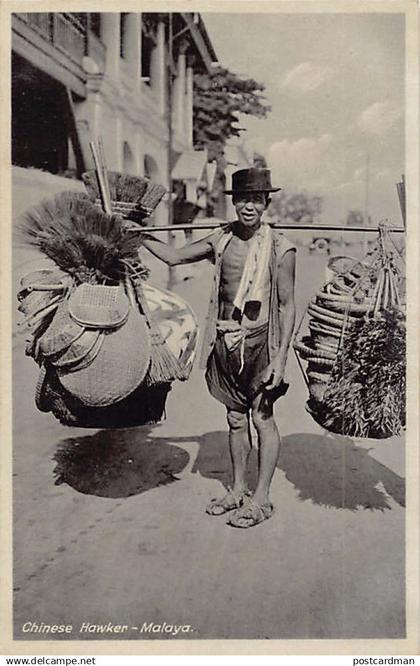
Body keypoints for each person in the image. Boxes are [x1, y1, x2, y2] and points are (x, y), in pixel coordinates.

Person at [140, 168, 296, 528]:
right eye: (243, 199)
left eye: (256, 199)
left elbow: (288, 306)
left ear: (266, 203)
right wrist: (138, 233)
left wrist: (281, 359)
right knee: (235, 418)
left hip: (260, 341)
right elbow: (174, 257)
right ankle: (237, 490)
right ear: (234, 202)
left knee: (262, 417)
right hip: (223, 340)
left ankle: (261, 499)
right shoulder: (220, 240)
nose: (249, 206)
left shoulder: (281, 248)